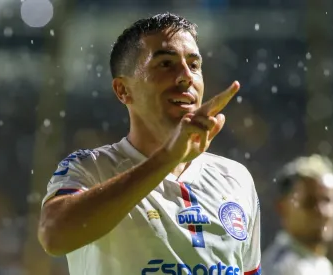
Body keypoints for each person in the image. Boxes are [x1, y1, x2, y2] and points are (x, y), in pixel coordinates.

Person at [37, 13, 262, 275]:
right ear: (123, 90)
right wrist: (168, 157)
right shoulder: (91, 169)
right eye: (166, 64)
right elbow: (54, 236)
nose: (186, 77)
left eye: (194, 65)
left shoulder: (236, 178)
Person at [262, 155, 333, 275]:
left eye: (328, 201)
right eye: (310, 202)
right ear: (282, 208)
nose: (322, 212)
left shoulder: (322, 266)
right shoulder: (280, 269)